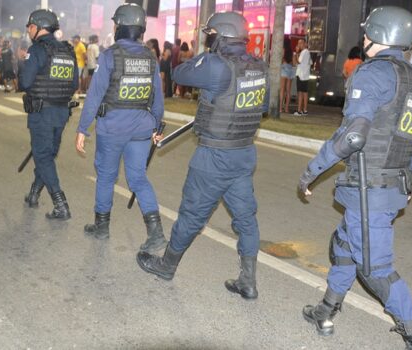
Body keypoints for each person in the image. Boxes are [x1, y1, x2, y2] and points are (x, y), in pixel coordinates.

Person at [298, 7, 412, 349]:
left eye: (367, 33)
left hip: (369, 188)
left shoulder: (370, 74)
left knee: (375, 269)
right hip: (388, 187)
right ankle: (326, 310)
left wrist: (311, 173)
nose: (363, 39)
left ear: (377, 35)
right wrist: (409, 181)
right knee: (345, 247)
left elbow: (352, 136)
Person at [136, 11, 269, 300]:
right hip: (244, 153)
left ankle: (166, 266)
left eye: (209, 35)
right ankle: (248, 281)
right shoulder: (257, 66)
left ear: (219, 36)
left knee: (192, 215)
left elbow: (179, 72)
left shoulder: (215, 64)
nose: (207, 39)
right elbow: (264, 107)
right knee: (246, 219)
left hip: (214, 156)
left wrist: (207, 53)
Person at [75, 3, 167, 253]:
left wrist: (83, 129)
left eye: (116, 24)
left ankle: (102, 227)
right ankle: (156, 232)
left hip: (112, 128)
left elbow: (94, 95)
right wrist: (157, 125)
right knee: (138, 178)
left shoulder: (110, 55)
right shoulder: (150, 57)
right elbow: (158, 98)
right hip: (141, 129)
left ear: (121, 27)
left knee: (106, 176)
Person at [19, 9, 79, 220]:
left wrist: (22, 64)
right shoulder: (68, 51)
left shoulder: (36, 50)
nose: (28, 30)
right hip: (61, 112)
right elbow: (74, 84)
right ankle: (35, 192)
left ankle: (60, 203)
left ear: (38, 27)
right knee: (47, 155)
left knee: (43, 156)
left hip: (41, 112)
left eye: (30, 26)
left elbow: (25, 82)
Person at [294, 38, 311, 115]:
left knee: (300, 93)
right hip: (305, 75)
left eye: (301, 43)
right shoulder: (307, 52)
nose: (299, 45)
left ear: (305, 44)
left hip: (301, 75)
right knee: (304, 92)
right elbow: (310, 62)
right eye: (298, 43)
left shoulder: (304, 52)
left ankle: (299, 110)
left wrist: (296, 53)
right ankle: (304, 110)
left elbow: (298, 62)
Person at [280, 39, 294, 113]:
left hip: (284, 68)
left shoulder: (283, 49)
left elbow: (281, 58)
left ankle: (280, 108)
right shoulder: (291, 51)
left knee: (282, 90)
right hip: (290, 69)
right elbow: (292, 62)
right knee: (288, 91)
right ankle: (286, 108)